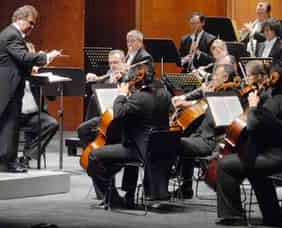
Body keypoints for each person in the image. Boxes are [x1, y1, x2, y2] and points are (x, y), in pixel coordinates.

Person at [215, 63, 282, 226]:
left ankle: (232, 215)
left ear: (273, 79)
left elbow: (253, 126)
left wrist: (254, 106)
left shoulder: (274, 103)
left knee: (225, 164)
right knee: (254, 169)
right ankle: (273, 216)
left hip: (275, 157)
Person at [0, 5, 61, 173]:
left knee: (10, 124)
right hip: (8, 86)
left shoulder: (11, 34)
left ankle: (6, 161)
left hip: (9, 84)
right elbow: (23, 57)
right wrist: (46, 56)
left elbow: (19, 61)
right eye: (30, 22)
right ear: (19, 19)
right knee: (8, 124)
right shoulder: (12, 35)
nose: (32, 26)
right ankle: (6, 163)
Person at [87, 64, 159, 208]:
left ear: (135, 80)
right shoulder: (157, 94)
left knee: (94, 156)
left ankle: (113, 197)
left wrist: (121, 94)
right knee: (111, 153)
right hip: (151, 146)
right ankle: (125, 195)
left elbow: (119, 113)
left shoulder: (139, 99)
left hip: (138, 150)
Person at [172, 64, 239, 199]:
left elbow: (223, 121)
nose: (212, 77)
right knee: (175, 140)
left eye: (215, 75)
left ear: (225, 77)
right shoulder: (214, 91)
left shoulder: (229, 96)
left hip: (211, 141)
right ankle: (185, 187)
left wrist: (208, 97)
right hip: (200, 136)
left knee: (174, 143)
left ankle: (171, 184)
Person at [18, 42, 59, 168]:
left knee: (52, 123)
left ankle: (27, 156)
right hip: (15, 116)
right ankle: (6, 158)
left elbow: (52, 97)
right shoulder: (14, 73)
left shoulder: (38, 74)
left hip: (34, 115)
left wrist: (44, 80)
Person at [77, 49, 127, 147]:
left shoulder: (129, 77)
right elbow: (96, 91)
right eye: (110, 63)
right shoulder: (109, 75)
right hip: (105, 115)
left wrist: (121, 80)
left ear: (124, 62)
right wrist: (93, 79)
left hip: (120, 117)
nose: (113, 65)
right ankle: (91, 153)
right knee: (82, 129)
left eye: (116, 62)